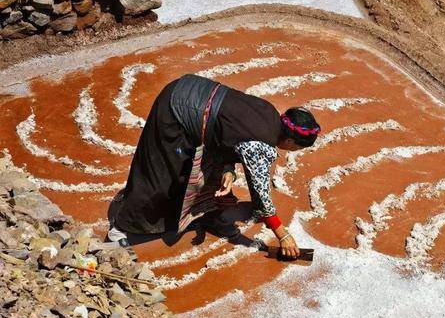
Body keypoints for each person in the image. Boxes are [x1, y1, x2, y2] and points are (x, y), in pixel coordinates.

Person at [107, 73, 321, 258]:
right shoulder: (261, 143)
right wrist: (283, 234)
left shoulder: (270, 114)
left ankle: (208, 214)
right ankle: (122, 229)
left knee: (210, 171)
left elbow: (227, 129)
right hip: (176, 110)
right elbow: (261, 192)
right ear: (291, 142)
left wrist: (228, 170)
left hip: (189, 90)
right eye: (298, 149)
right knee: (163, 175)